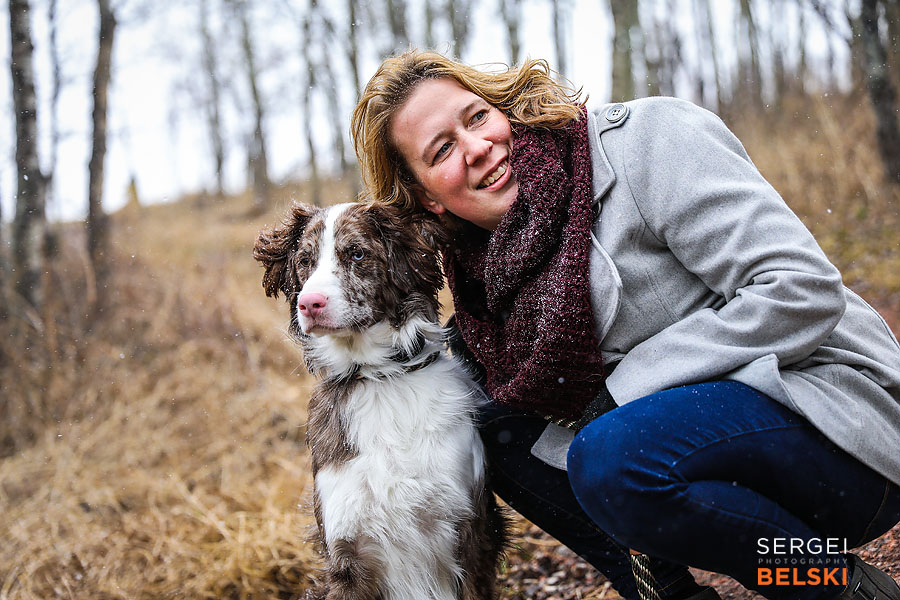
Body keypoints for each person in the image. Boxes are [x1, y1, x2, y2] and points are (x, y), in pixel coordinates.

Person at [350, 49, 900, 600]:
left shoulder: (644, 142)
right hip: (723, 455)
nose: (476, 147)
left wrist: (626, 388)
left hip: (839, 427)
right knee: (481, 412)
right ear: (425, 196)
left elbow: (800, 289)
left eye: (476, 117)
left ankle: (834, 585)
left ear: (502, 108)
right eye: (442, 149)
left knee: (613, 454)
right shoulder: (484, 280)